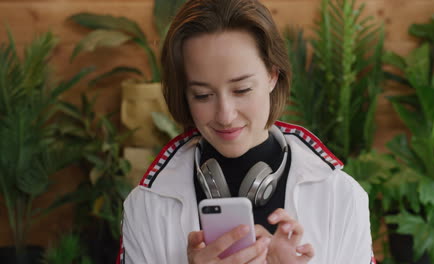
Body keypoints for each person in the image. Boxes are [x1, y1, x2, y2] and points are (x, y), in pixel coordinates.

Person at [118, 0, 375, 263]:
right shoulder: (146, 206)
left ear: (273, 75)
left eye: (241, 90)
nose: (225, 115)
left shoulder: (342, 198)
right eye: (202, 95)